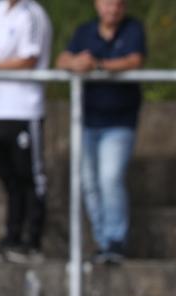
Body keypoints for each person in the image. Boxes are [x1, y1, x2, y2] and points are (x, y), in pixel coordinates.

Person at [57, 0, 146, 265]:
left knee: (109, 178)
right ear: (97, 5)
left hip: (119, 121)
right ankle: (104, 241)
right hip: (86, 121)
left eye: (118, 3)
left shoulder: (133, 29)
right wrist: (76, 62)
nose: (113, 8)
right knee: (88, 182)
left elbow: (134, 60)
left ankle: (115, 241)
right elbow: (62, 59)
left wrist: (97, 65)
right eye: (108, 2)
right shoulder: (84, 31)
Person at [0, 0, 52, 264]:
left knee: (30, 176)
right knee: (8, 177)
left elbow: (29, 59)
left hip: (23, 108)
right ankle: (12, 236)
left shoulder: (32, 14)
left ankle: (33, 241)